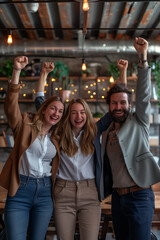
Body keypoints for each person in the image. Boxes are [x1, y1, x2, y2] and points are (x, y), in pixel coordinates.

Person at [35, 59, 127, 240]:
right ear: (68, 116)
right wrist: (44, 74)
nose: (79, 116)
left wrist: (122, 71)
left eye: (82, 112)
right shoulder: (59, 131)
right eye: (74, 112)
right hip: (63, 192)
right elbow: (40, 103)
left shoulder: (95, 130)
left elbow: (118, 102)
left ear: (87, 114)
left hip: (90, 192)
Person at [100, 37, 160, 240]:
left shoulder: (139, 122)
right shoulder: (107, 131)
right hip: (117, 198)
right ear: (109, 107)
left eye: (123, 103)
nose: (119, 107)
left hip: (140, 196)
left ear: (130, 105)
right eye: (114, 103)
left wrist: (142, 57)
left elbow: (142, 95)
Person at [0, 57, 65, 240]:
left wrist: (44, 73)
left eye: (60, 111)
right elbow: (11, 107)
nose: (56, 114)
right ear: (43, 109)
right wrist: (17, 71)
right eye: (53, 109)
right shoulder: (24, 124)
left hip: (45, 193)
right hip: (21, 190)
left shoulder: (57, 136)